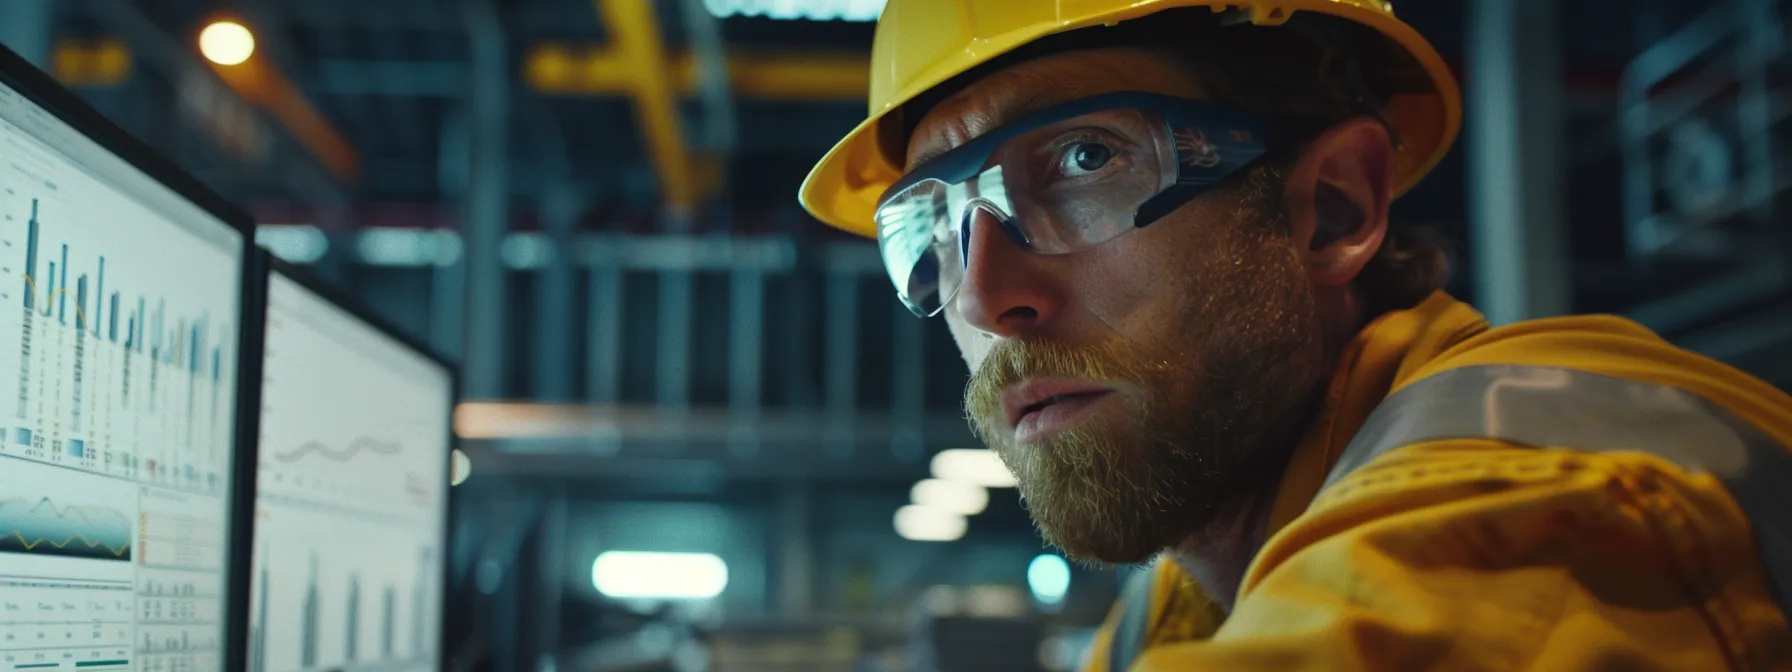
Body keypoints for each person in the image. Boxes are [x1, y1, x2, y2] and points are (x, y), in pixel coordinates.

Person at [799, 0, 1792, 669]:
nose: (981, 296)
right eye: (933, 225)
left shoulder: (1544, 502)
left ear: (1330, 207)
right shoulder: (1183, 594)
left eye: (1086, 159)